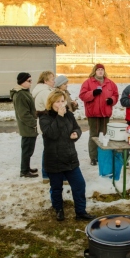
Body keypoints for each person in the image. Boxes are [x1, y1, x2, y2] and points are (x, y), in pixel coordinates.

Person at [38, 90, 96, 221]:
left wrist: (76, 133)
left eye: (62, 101)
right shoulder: (44, 117)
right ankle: (58, 209)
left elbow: (77, 128)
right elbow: (51, 134)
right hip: (54, 159)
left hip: (70, 157)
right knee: (56, 187)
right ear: (51, 103)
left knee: (79, 185)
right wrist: (59, 116)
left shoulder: (69, 115)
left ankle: (80, 212)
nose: (61, 104)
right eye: (57, 101)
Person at [79, 64, 119, 166]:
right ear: (95, 71)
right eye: (98, 70)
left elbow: (115, 95)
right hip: (93, 114)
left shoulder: (110, 83)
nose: (100, 71)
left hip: (105, 114)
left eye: (102, 70)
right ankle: (93, 157)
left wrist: (112, 100)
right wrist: (93, 93)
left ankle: (103, 156)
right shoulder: (88, 82)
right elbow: (82, 95)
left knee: (104, 135)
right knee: (94, 135)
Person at [10, 72, 38, 178]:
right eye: (29, 81)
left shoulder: (25, 92)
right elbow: (23, 114)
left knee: (29, 149)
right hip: (27, 127)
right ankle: (24, 170)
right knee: (27, 149)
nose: (31, 83)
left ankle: (26, 167)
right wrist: (34, 124)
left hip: (29, 127)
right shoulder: (20, 94)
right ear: (22, 82)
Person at [32, 71, 55, 183]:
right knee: (49, 151)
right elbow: (52, 107)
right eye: (52, 79)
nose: (54, 81)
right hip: (48, 125)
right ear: (45, 81)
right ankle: (47, 175)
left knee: (48, 150)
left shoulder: (42, 90)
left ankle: (47, 175)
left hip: (45, 124)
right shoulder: (45, 92)